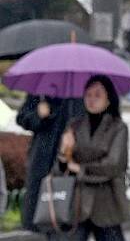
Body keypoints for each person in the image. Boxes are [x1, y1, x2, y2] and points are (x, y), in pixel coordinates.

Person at [56, 74, 130, 241]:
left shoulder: (118, 128)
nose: (91, 100)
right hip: (77, 203)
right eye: (88, 95)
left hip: (107, 203)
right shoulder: (74, 125)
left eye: (98, 95)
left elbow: (114, 165)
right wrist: (64, 151)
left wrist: (80, 168)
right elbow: (61, 168)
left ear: (109, 99)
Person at [17, 93, 84, 232]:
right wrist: (38, 114)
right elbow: (23, 117)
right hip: (42, 159)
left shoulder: (83, 90)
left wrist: (75, 131)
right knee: (40, 217)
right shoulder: (41, 91)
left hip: (72, 160)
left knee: (69, 218)